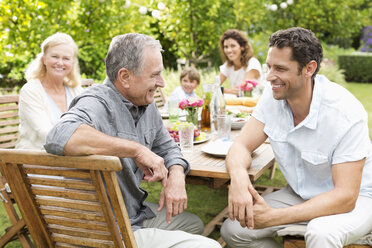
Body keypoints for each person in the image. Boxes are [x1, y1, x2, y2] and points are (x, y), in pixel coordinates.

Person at [44, 33, 221, 248]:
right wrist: (137, 150)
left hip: (131, 214)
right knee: (208, 246)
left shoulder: (145, 103)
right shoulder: (97, 102)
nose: (162, 83)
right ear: (125, 77)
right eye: (155, 75)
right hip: (103, 229)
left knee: (192, 224)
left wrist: (176, 175)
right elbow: (59, 136)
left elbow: (167, 147)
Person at [220, 27, 372, 248]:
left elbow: (345, 196)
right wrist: (239, 180)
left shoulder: (345, 114)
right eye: (269, 67)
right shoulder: (272, 97)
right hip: (299, 194)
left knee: (321, 233)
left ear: (309, 69)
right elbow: (242, 145)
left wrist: (273, 217)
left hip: (357, 200)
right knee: (233, 229)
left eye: (280, 69)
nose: (270, 77)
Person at [16, 33, 84, 150]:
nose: (60, 62)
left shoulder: (76, 90)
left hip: (69, 158)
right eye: (55, 57)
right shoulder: (31, 91)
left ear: (72, 63)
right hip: (33, 159)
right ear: (44, 59)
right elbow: (47, 134)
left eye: (66, 58)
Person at [219, 29, 262, 96]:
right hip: (238, 103)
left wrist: (222, 90)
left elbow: (242, 90)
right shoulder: (228, 65)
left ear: (242, 47)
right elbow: (213, 87)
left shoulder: (253, 63)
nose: (229, 50)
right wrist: (225, 90)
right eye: (226, 47)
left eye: (233, 46)